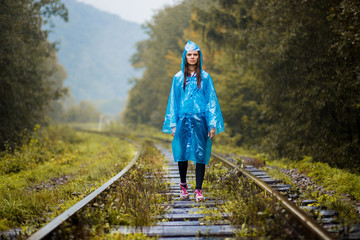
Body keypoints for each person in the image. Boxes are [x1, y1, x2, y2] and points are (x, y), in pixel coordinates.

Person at [162, 40, 225, 202]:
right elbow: (173, 102)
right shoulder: (177, 78)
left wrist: (212, 124)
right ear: (185, 56)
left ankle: (198, 189)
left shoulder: (205, 77)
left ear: (199, 57)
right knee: (182, 152)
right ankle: (183, 186)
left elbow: (211, 101)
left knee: (200, 153)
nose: (192, 57)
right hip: (182, 121)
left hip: (200, 121)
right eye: (189, 54)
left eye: (195, 54)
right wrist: (173, 124)